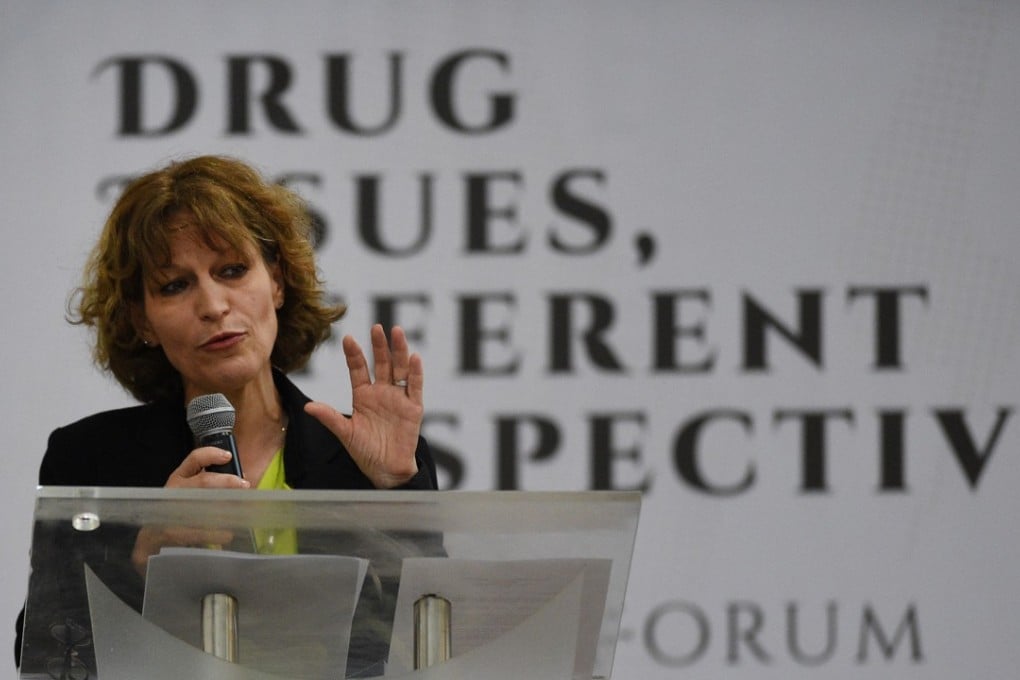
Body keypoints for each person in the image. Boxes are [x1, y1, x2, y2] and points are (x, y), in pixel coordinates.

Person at [16, 155, 439, 674]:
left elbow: (429, 642)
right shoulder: (90, 459)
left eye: (232, 271)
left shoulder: (363, 458)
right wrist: (138, 566)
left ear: (277, 281)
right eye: (175, 285)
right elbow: (48, 655)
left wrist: (400, 494)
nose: (214, 305)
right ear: (142, 321)